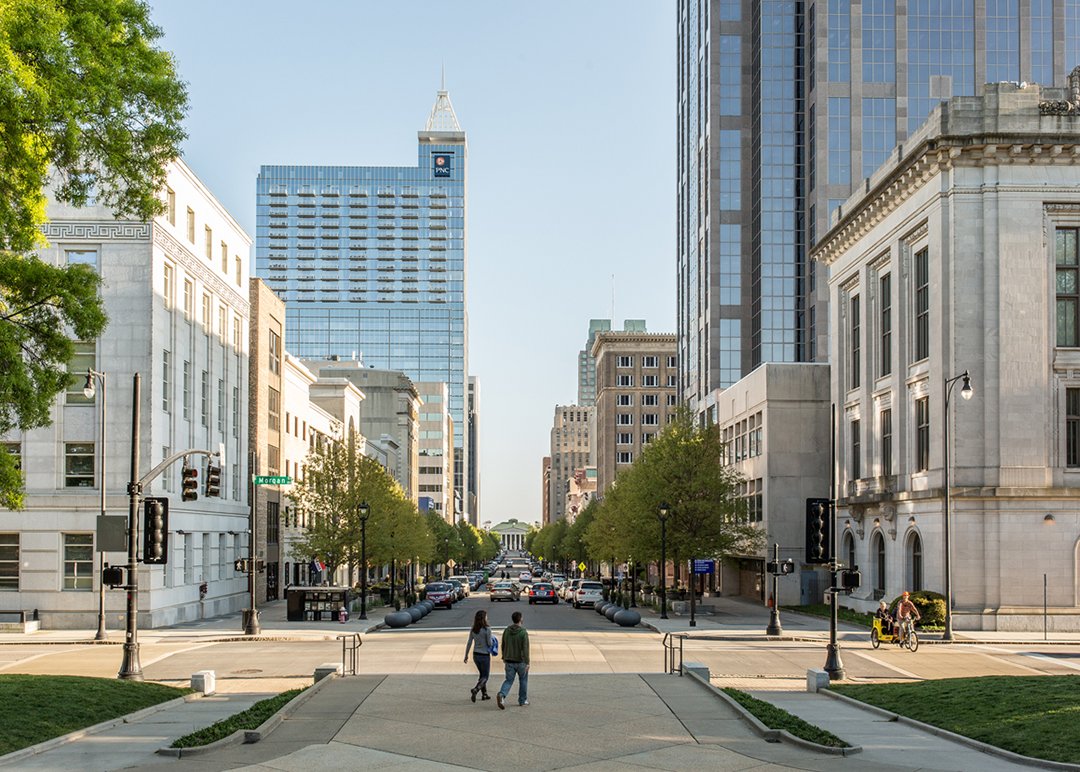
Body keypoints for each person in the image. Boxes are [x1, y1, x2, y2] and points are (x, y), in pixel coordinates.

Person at [496, 610, 530, 709]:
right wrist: (527, 662)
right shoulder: (523, 632)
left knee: (509, 680)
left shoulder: (506, 631)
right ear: (520, 619)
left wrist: (504, 656)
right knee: (523, 680)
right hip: (521, 661)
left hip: (509, 660)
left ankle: (502, 694)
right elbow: (525, 648)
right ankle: (522, 700)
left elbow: (503, 644)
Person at [463, 609, 494, 702]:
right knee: (485, 676)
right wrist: (493, 641)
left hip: (475, 654)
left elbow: (469, 642)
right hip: (484, 655)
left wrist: (466, 655)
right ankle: (476, 689)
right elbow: (489, 643)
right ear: (484, 618)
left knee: (482, 675)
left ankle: (484, 694)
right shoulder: (487, 629)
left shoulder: (473, 628)